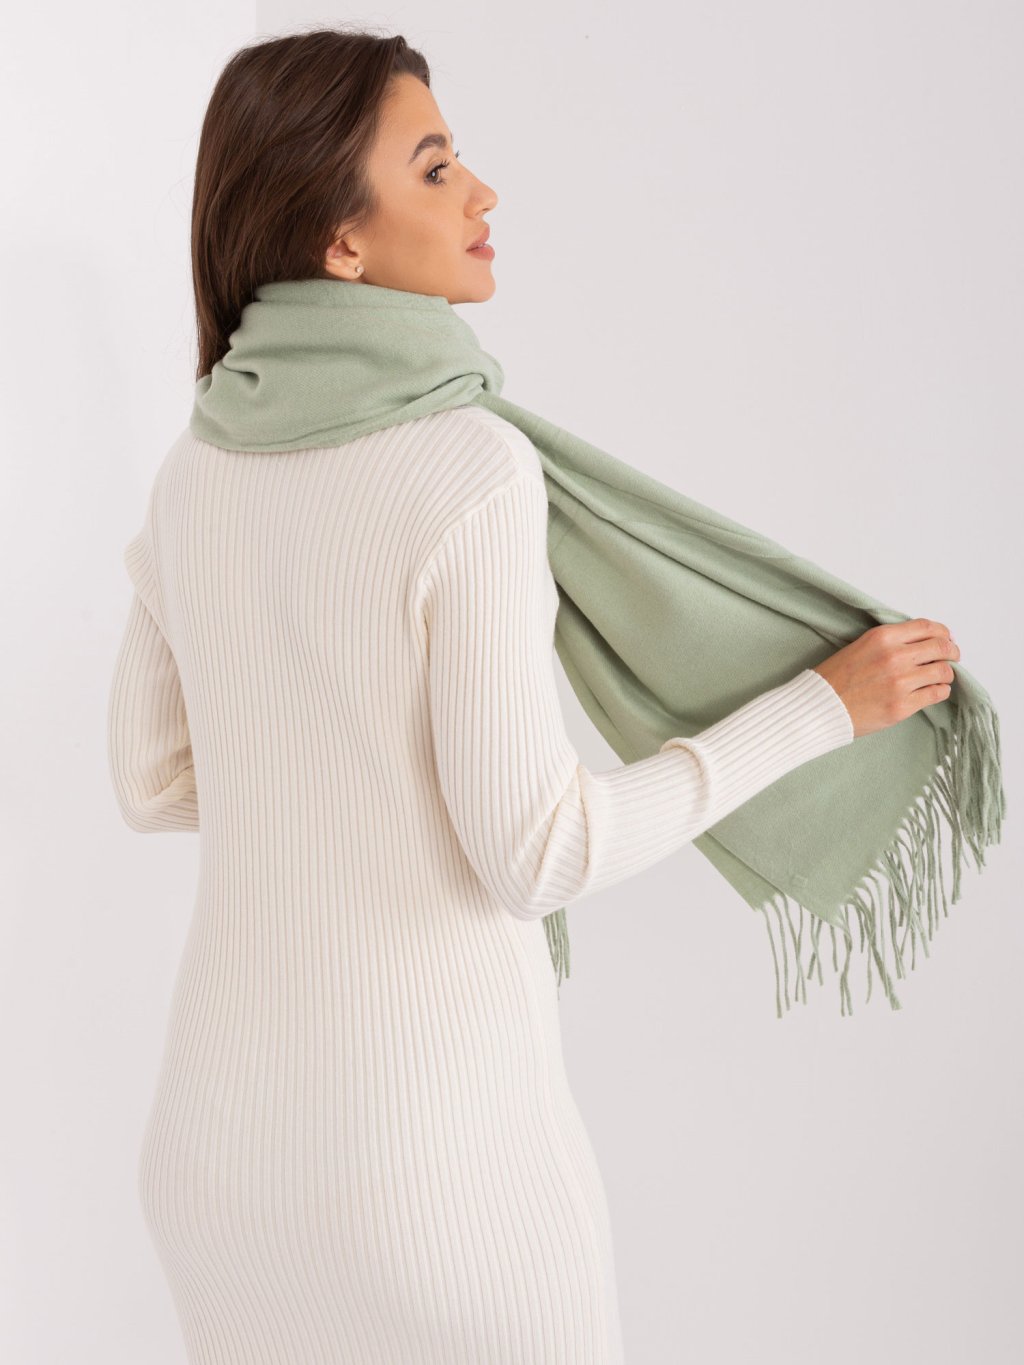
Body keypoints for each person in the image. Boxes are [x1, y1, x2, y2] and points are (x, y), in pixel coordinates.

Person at [107, 27, 960, 1365]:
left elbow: (152, 777)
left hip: (218, 1174)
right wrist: (819, 711)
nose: (482, 192)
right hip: (437, 1182)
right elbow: (538, 851)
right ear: (341, 241)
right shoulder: (469, 468)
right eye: (436, 166)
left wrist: (338, 770)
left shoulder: (197, 466)